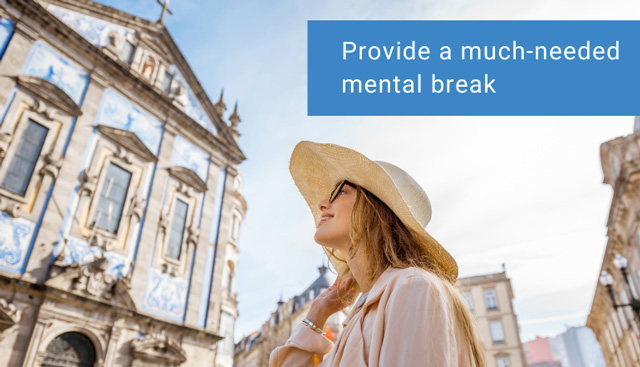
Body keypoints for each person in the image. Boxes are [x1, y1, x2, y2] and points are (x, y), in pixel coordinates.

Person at [269, 141, 486, 367]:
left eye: (341, 191)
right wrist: (318, 313)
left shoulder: (413, 287)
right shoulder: (360, 316)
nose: (322, 204)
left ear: (379, 212)